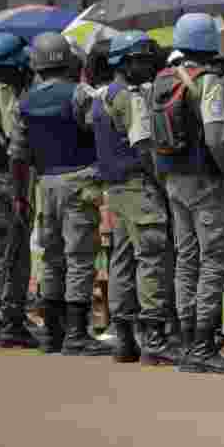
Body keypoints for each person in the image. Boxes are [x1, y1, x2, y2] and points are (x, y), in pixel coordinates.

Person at [148, 13, 224, 374]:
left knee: (186, 258)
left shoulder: (161, 80)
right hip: (204, 180)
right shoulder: (209, 82)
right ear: (210, 45)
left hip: (173, 179)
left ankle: (187, 341)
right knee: (213, 259)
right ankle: (204, 343)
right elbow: (217, 136)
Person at [9, 32, 109, 356]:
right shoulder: (80, 94)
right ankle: (77, 334)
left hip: (45, 184)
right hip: (80, 181)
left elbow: (18, 155)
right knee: (79, 258)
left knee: (51, 258)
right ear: (67, 60)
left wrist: (22, 196)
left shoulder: (23, 102)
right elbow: (97, 129)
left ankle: (52, 333)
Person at [95, 31, 177, 366]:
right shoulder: (130, 98)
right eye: (140, 60)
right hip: (138, 186)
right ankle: (154, 338)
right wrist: (161, 184)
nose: (146, 65)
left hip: (116, 190)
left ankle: (125, 339)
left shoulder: (102, 96)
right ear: (124, 63)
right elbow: (144, 148)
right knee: (152, 258)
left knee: (123, 260)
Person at [0, 33, 37, 348]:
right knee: (13, 253)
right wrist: (21, 194)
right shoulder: (5, 92)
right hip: (6, 182)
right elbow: (16, 148)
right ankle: (10, 320)